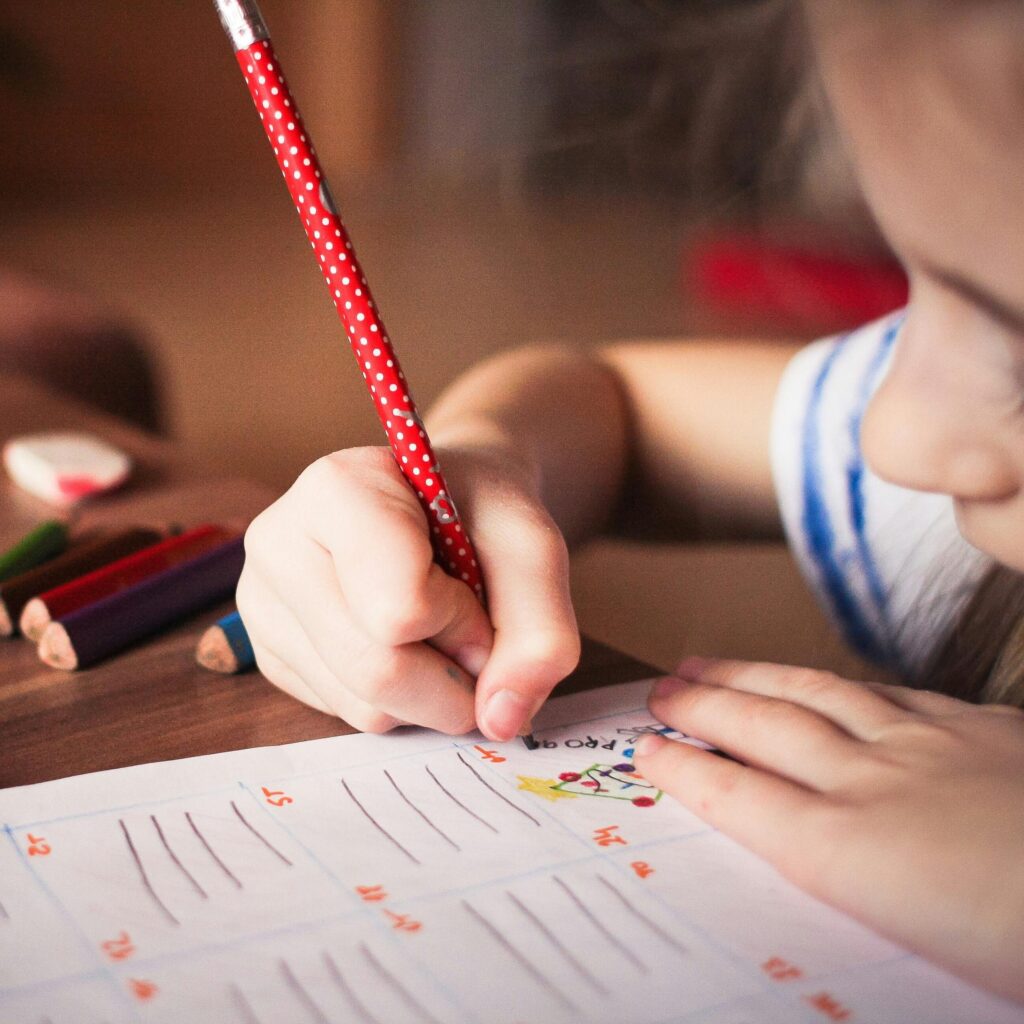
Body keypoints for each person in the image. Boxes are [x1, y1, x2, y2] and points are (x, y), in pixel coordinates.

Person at [237, 0, 1024, 1001]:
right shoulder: (950, 466)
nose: (886, 432)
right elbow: (614, 405)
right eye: (911, 287)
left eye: (1014, 344)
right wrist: (485, 462)